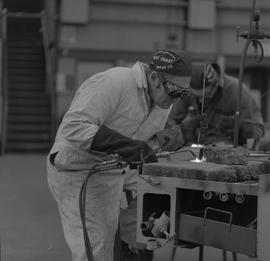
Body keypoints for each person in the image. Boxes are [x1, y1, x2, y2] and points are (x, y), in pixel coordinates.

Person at [47, 49, 192, 261]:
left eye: (183, 94)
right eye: (174, 91)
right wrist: (128, 146)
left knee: (160, 191)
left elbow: (143, 144)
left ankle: (132, 245)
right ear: (154, 78)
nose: (176, 99)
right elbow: (73, 127)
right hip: (77, 168)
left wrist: (179, 136)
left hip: (114, 166)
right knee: (97, 248)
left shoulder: (162, 104)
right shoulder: (114, 82)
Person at [164, 63, 264, 147]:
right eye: (196, 96)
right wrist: (180, 134)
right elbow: (170, 121)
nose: (201, 100)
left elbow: (256, 132)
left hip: (225, 151)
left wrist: (239, 130)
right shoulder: (186, 90)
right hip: (193, 148)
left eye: (206, 95)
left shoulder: (237, 91)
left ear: (216, 85)